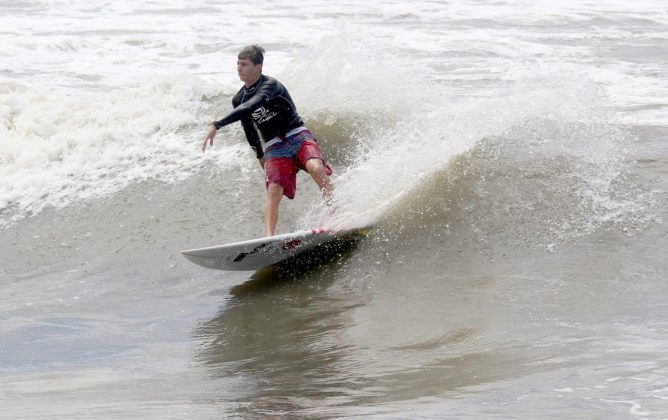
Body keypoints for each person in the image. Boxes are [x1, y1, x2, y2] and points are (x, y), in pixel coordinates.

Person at [201, 45, 333, 237]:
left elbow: (252, 105)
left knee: (315, 167)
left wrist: (217, 124)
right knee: (274, 190)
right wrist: (259, 154)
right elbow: (248, 128)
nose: (239, 68)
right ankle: (269, 238)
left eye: (244, 64)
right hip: (274, 146)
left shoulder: (271, 86)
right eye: (238, 64)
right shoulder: (238, 98)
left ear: (258, 67)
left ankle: (336, 213)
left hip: (297, 135)